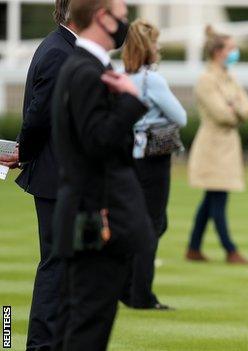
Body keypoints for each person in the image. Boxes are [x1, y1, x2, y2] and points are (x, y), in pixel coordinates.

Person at [51, 0, 154, 348]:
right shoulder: (85, 70)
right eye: (122, 18)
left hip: (92, 219)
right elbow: (98, 142)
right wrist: (130, 100)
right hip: (98, 223)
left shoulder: (85, 66)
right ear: (102, 17)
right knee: (87, 329)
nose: (126, 25)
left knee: (79, 322)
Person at [0, 1, 77, 349]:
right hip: (54, 175)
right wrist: (24, 152)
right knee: (56, 264)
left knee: (60, 263)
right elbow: (38, 115)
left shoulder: (57, 45)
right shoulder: (61, 51)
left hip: (53, 172)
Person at [119, 19, 187, 310]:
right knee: (153, 224)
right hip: (153, 157)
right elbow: (180, 116)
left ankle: (126, 286)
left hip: (127, 153)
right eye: (156, 42)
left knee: (139, 221)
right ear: (149, 46)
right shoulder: (151, 79)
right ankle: (141, 295)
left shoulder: (121, 74)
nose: (159, 48)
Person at [186, 26, 248, 264]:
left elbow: (247, 108)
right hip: (212, 146)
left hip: (228, 145)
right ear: (218, 51)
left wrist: (233, 106)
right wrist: (234, 107)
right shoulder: (206, 79)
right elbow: (221, 114)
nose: (235, 52)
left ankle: (193, 247)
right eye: (231, 48)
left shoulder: (230, 77)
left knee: (211, 198)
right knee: (218, 198)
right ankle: (230, 249)